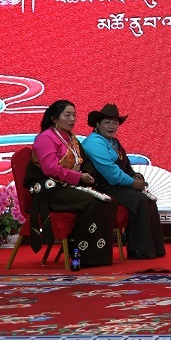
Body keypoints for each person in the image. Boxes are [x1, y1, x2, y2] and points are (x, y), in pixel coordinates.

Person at [24, 99, 117, 267]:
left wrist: (87, 174)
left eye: (74, 115)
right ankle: (79, 252)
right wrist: (78, 177)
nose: (72, 119)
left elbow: (85, 161)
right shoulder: (46, 138)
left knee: (108, 201)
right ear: (53, 118)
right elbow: (50, 169)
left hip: (70, 187)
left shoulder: (72, 139)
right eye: (67, 115)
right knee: (91, 202)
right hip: (50, 190)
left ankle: (98, 256)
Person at [82, 104, 166, 260]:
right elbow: (110, 172)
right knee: (138, 200)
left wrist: (136, 176)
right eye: (107, 122)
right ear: (98, 124)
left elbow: (126, 165)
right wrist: (132, 183)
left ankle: (154, 249)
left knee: (147, 200)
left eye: (115, 123)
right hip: (103, 186)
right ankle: (138, 250)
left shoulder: (114, 142)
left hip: (118, 186)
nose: (111, 126)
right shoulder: (94, 142)